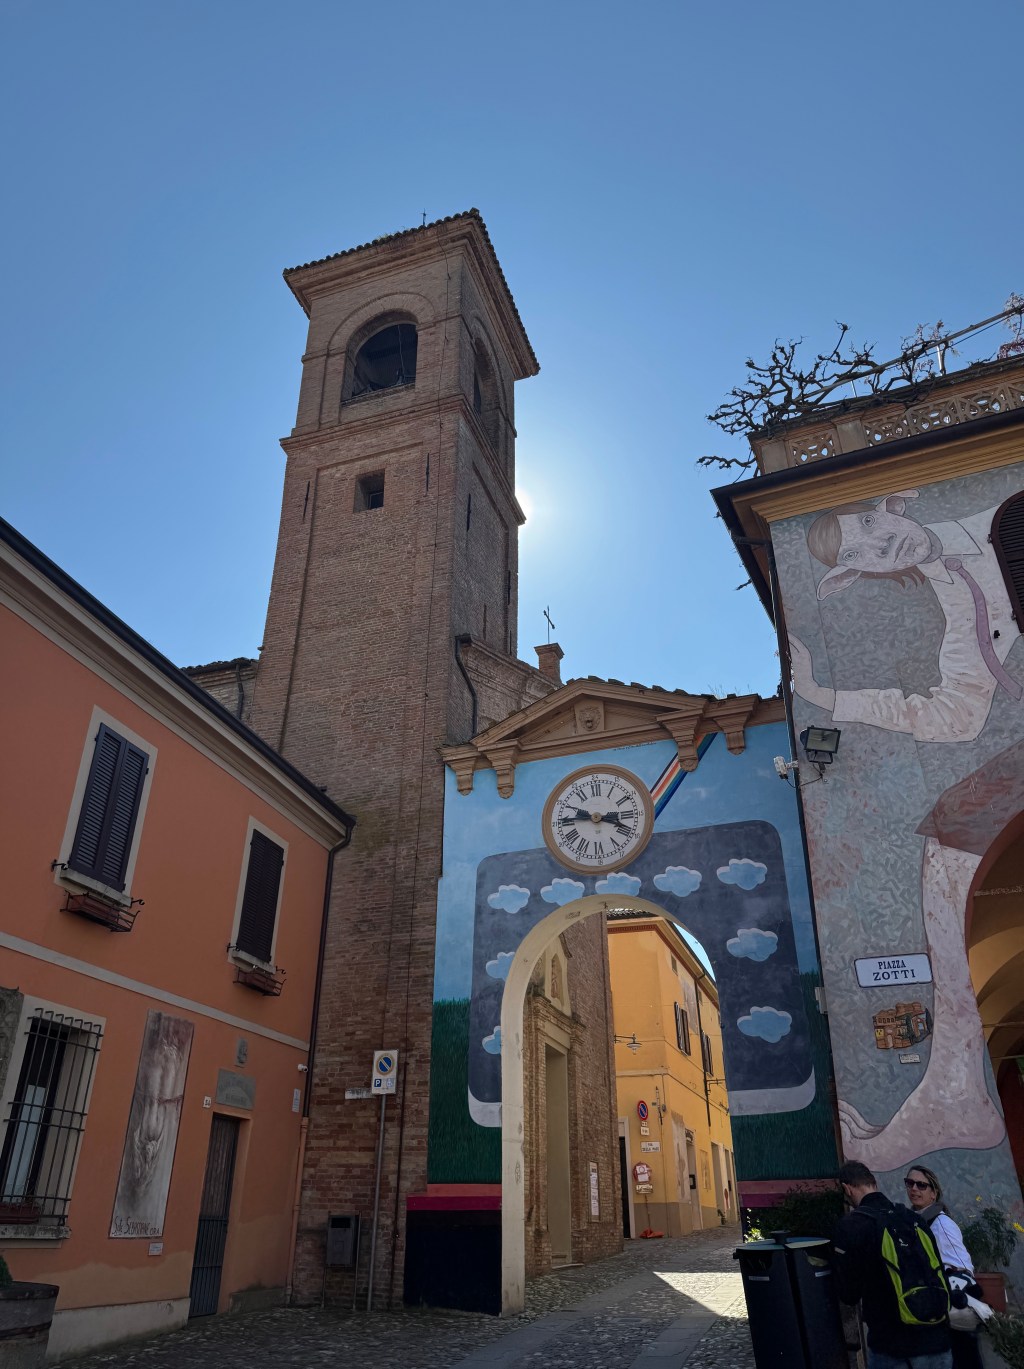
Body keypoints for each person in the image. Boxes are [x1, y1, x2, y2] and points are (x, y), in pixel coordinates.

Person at [834, 1159, 952, 1369]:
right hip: (937, 1340)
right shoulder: (913, 1219)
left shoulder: (851, 1226)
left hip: (892, 1347)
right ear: (874, 1183)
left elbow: (849, 1294)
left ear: (847, 1188)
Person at [904, 1166, 984, 1369]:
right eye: (910, 1183)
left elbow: (963, 1268)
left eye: (921, 1185)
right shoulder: (918, 1222)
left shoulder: (941, 1224)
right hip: (937, 1311)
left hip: (954, 1307)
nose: (914, 1188)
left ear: (934, 1193)